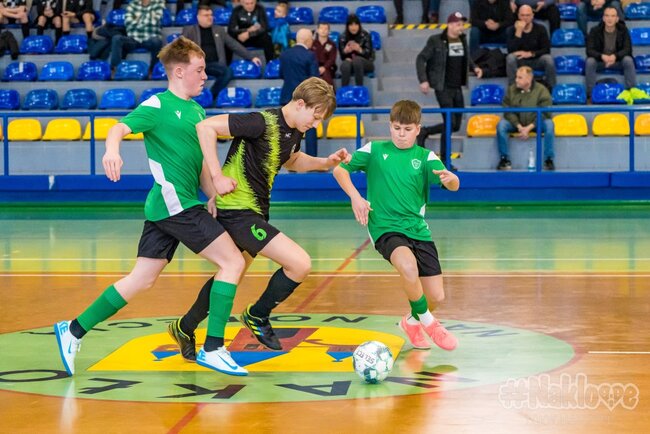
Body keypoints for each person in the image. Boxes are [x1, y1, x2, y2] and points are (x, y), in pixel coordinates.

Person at [54, 36, 249, 377]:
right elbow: (118, 128)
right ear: (179, 72)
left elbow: (200, 166)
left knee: (141, 279)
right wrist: (111, 151)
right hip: (176, 205)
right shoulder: (157, 106)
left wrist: (213, 194)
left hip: (168, 206)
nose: (205, 76)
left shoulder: (197, 111)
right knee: (233, 262)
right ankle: (214, 348)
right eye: (199, 70)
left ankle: (73, 330)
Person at [167, 77, 347, 359]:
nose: (315, 124)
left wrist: (325, 163)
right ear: (300, 104)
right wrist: (216, 177)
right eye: (315, 116)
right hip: (237, 211)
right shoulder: (261, 122)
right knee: (299, 263)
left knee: (229, 276)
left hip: (254, 212)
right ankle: (257, 314)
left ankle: (184, 327)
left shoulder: (294, 131)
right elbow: (205, 127)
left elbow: (291, 159)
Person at [332, 99, 459, 352]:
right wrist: (356, 198)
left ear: (418, 129)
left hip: (418, 229)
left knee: (436, 296)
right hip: (385, 227)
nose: (401, 134)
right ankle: (430, 324)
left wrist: (452, 178)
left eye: (407, 129)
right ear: (390, 126)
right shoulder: (375, 150)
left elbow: (452, 185)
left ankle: (411, 322)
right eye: (397, 128)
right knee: (408, 267)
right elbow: (339, 170)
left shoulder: (425, 157)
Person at [415, 12, 483, 170]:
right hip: (443, 86)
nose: (461, 27)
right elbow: (421, 58)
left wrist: (475, 67)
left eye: (462, 24)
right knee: (449, 123)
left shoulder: (462, 39)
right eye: (458, 24)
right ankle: (445, 162)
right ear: (450, 25)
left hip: (457, 87)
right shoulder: (436, 40)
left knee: (455, 125)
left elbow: (466, 57)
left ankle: (425, 131)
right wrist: (423, 80)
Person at [182, 4, 261, 102]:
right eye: (206, 15)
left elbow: (234, 44)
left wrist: (251, 57)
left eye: (211, 15)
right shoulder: (190, 30)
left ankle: (210, 96)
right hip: (196, 65)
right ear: (198, 17)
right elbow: (179, 48)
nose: (210, 17)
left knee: (228, 72)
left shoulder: (219, 30)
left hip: (214, 64)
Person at [496, 65, 555, 171]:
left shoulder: (542, 90)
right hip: (516, 124)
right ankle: (504, 159)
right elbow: (507, 111)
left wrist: (529, 127)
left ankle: (548, 159)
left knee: (549, 124)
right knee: (502, 125)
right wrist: (519, 126)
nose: (516, 80)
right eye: (516, 77)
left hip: (535, 124)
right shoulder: (511, 90)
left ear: (529, 79)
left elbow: (545, 113)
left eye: (520, 77)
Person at [280, 28, 319, 156]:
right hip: (306, 98)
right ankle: (312, 159)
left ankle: (287, 159)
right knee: (310, 128)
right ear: (308, 40)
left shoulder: (284, 54)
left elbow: (281, 74)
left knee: (287, 130)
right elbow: (315, 79)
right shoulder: (310, 55)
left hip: (288, 97)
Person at [585, 6, 635, 98]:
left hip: (617, 61)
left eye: (612, 16)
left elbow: (628, 49)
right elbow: (589, 50)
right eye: (607, 16)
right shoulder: (595, 31)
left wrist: (615, 56)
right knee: (590, 62)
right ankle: (591, 94)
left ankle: (631, 92)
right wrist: (602, 56)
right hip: (600, 61)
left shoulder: (623, 30)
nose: (609, 19)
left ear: (617, 19)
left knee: (628, 60)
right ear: (603, 18)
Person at [506, 4, 556, 89]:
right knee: (510, 58)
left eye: (528, 15)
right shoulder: (511, 30)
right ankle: (513, 89)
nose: (525, 18)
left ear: (532, 16)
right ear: (518, 16)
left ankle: (551, 88)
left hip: (536, 60)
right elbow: (511, 51)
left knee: (548, 59)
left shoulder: (541, 29)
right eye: (522, 15)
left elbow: (546, 49)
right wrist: (518, 31)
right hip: (520, 61)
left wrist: (530, 53)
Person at [110, 0, 165, 73]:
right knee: (117, 38)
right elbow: (128, 22)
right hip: (133, 39)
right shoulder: (133, 4)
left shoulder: (157, 4)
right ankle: (116, 68)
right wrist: (146, 19)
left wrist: (137, 20)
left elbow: (154, 21)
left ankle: (153, 69)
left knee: (157, 42)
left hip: (150, 39)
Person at [338, 14, 374, 87]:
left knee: (357, 60)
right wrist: (345, 51)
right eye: (351, 25)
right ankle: (344, 91)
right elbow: (342, 57)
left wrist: (359, 50)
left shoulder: (366, 35)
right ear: (347, 26)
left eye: (356, 25)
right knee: (345, 64)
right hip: (349, 64)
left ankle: (359, 89)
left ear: (359, 25)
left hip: (366, 63)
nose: (353, 27)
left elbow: (369, 55)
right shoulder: (342, 37)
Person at [311, 22, 337, 87]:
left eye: (326, 29)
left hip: (328, 67)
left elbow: (332, 59)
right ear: (317, 30)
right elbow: (310, 57)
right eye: (321, 28)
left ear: (329, 31)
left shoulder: (332, 44)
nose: (323, 30)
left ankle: (330, 92)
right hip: (315, 66)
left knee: (326, 74)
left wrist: (324, 67)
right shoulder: (312, 44)